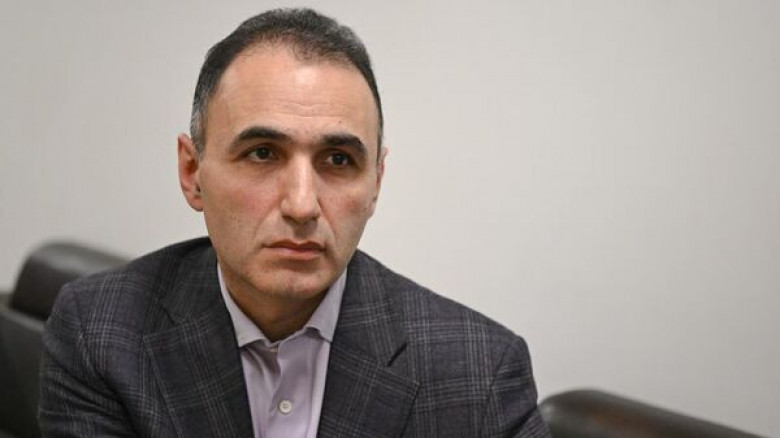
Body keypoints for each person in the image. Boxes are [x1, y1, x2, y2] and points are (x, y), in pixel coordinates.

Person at [39, 8, 550, 438]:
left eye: (338, 160)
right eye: (263, 153)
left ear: (376, 182)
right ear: (192, 172)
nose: (302, 206)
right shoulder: (102, 332)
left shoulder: (479, 374)